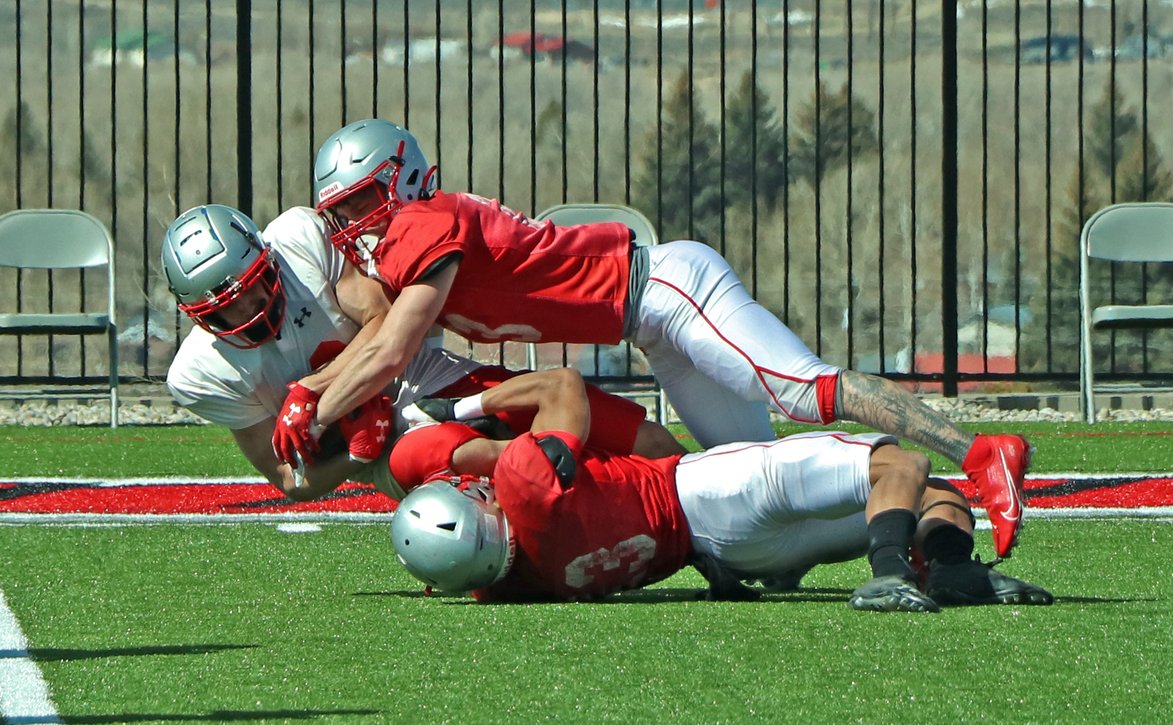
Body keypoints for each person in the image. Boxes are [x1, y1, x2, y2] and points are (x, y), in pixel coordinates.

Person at [274, 118, 1031, 559]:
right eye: (343, 213)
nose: (355, 224)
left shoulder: (423, 222)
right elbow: (374, 325)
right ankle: (927, 514)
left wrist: (310, 398)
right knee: (749, 466)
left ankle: (980, 452)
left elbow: (393, 346)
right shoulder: (399, 239)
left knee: (802, 390)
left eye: (365, 201)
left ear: (402, 181)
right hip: (650, 325)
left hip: (666, 290)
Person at [386, 367, 1052, 610]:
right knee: (901, 468)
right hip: (706, 493)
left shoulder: (500, 587)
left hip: (727, 559)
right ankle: (886, 574)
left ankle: (957, 574)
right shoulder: (525, 485)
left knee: (929, 499)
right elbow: (561, 385)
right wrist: (462, 415)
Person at [162, 204, 683, 502]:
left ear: (267, 258)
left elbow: (384, 321)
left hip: (416, 377)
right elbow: (289, 479)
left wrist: (317, 393)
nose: (253, 307)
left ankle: (698, 492)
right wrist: (355, 453)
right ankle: (585, 493)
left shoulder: (297, 241)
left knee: (629, 432)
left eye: (256, 286)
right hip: (385, 450)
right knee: (444, 456)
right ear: (197, 315)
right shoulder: (201, 374)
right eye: (231, 308)